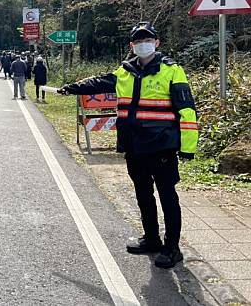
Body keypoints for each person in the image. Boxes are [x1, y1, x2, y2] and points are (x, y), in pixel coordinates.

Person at [56, 22, 198, 269]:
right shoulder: (125, 72)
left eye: (148, 40)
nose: (144, 44)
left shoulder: (172, 71)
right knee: (143, 194)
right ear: (132, 46)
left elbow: (187, 111)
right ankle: (151, 239)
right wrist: (70, 88)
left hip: (162, 146)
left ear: (157, 43)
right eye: (138, 41)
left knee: (167, 197)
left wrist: (187, 148)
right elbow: (98, 83)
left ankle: (172, 248)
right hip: (134, 147)